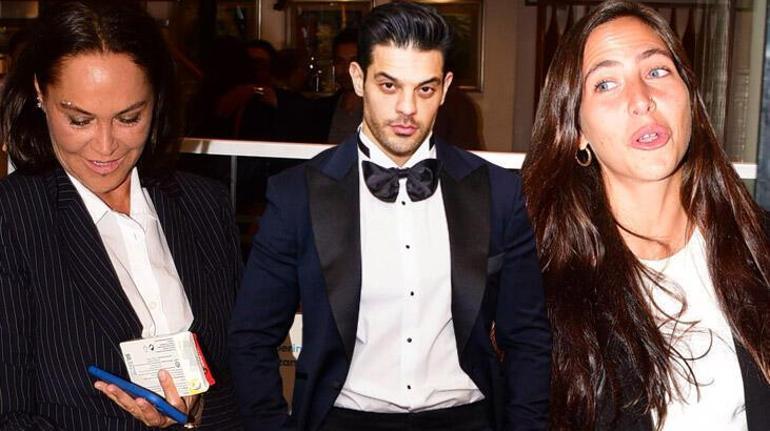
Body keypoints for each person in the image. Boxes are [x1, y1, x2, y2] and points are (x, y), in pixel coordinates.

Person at [229, 2, 551, 431]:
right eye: (389, 85)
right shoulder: (297, 196)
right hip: (342, 421)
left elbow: (527, 336)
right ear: (358, 78)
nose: (407, 108)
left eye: (425, 89)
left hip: (468, 418)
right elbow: (252, 335)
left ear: (445, 87)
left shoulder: (499, 193)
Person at [521, 1, 770, 430]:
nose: (641, 100)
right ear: (576, 131)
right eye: (605, 84)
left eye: (656, 71)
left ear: (690, 98)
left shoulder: (759, 245)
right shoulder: (543, 285)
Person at [0, 2, 242, 429]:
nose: (105, 146)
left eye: (130, 118)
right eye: (80, 120)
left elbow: (243, 376)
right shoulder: (12, 219)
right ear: (40, 93)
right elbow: (10, 414)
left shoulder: (205, 205)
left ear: (157, 100)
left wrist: (194, 415)